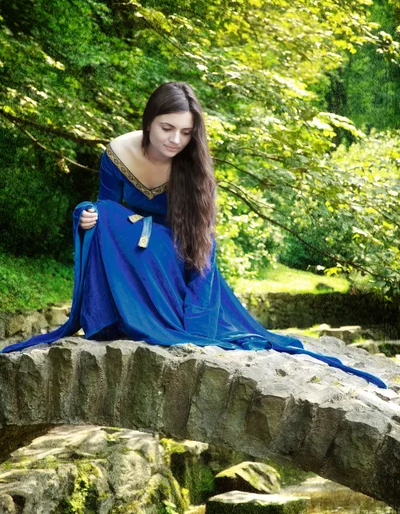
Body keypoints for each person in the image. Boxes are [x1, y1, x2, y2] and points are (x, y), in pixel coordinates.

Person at [0, 82, 387, 389]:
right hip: (129, 244)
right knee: (101, 214)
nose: (175, 140)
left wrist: (196, 325)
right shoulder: (117, 152)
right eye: (167, 128)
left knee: (170, 242)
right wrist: (85, 216)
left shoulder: (192, 165)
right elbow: (106, 210)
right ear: (148, 121)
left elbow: (202, 241)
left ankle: (161, 317)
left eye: (186, 132)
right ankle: (112, 316)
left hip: (174, 252)